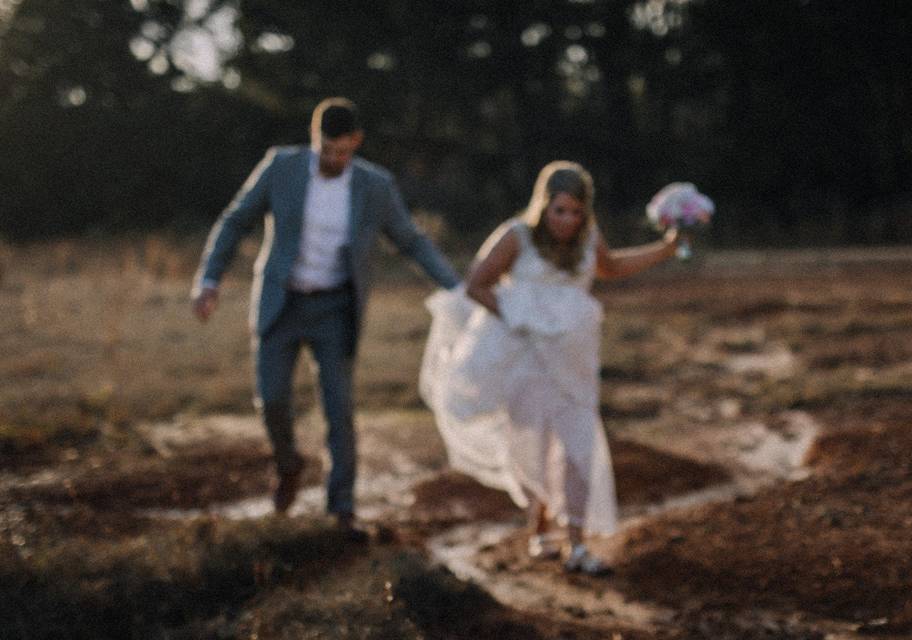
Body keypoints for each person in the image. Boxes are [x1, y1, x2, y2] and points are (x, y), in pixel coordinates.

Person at [192, 97, 460, 536]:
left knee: (339, 407)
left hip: (335, 308)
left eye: (343, 151)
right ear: (314, 139)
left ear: (356, 142)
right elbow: (235, 220)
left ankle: (342, 510)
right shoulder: (281, 167)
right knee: (272, 400)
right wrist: (209, 280)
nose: (334, 159)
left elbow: (411, 241)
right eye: (326, 150)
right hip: (282, 302)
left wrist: (457, 289)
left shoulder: (375, 185)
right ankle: (289, 464)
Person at [420, 161, 679, 573]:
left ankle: (577, 545)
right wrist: (518, 318)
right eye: (560, 210)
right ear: (544, 206)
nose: (567, 220)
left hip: (574, 363)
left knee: (579, 446)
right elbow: (476, 283)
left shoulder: (588, 239)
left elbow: (611, 268)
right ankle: (539, 529)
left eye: (575, 212)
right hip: (526, 362)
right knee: (535, 448)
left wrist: (666, 248)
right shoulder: (517, 236)